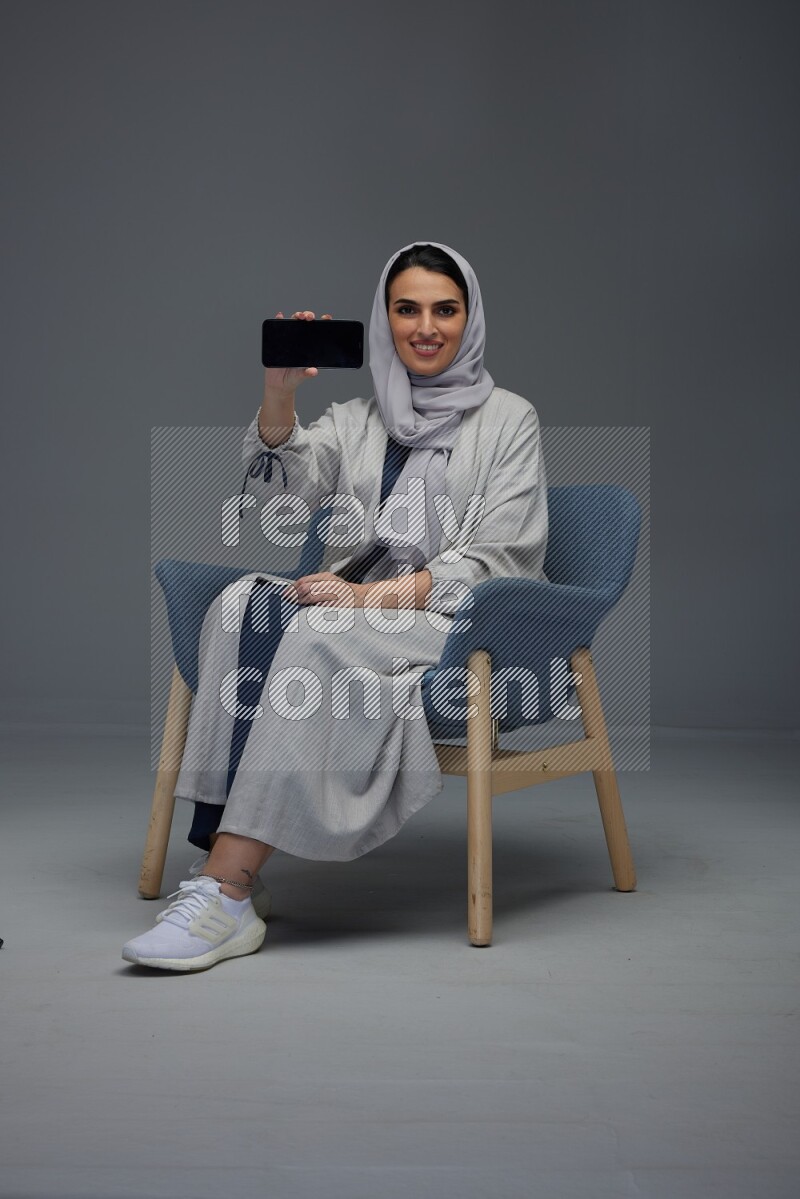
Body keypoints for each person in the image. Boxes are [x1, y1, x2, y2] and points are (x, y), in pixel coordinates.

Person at [122, 241, 548, 972]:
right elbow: (280, 495)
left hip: (454, 622)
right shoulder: (358, 415)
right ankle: (226, 859)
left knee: (319, 632)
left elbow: (496, 560)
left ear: (470, 319)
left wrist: (364, 596)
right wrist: (280, 391)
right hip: (350, 604)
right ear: (384, 319)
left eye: (445, 309)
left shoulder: (509, 420)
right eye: (406, 308)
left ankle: (224, 890)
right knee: (237, 608)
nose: (425, 326)